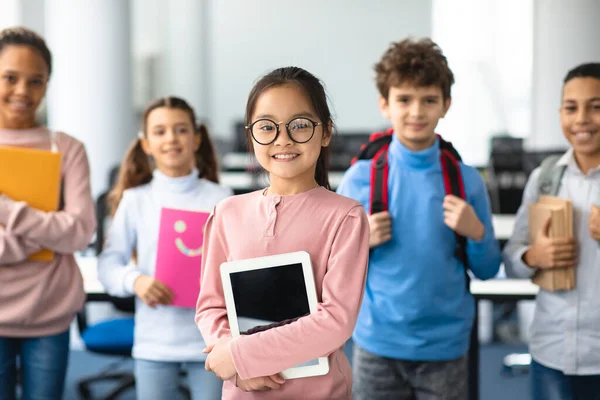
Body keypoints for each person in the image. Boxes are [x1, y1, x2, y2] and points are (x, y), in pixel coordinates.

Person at [336, 38, 501, 399]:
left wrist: (476, 232)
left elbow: (488, 269)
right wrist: (360, 241)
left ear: (446, 104)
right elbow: (332, 272)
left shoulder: (467, 180)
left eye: (429, 100)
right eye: (404, 100)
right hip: (377, 343)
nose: (416, 112)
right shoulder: (359, 178)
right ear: (385, 104)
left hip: (445, 346)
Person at [195, 66, 370, 399]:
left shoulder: (345, 216)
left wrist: (243, 356)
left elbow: (335, 320)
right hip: (243, 390)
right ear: (251, 135)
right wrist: (233, 362)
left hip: (319, 392)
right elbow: (211, 307)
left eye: (300, 125)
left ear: (326, 132)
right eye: (266, 127)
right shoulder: (227, 213)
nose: (283, 138)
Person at [98, 96, 231, 400]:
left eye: (181, 130)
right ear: (146, 144)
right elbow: (108, 264)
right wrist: (136, 280)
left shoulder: (221, 197)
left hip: (211, 340)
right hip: (154, 341)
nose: (171, 138)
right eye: (160, 131)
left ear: (196, 139)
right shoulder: (136, 200)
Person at [0, 27, 96, 400]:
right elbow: (62, 231)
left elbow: (79, 232)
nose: (23, 91)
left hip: (50, 311)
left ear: (47, 84)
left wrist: (7, 209)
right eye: (10, 77)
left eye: (35, 81)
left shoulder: (68, 149)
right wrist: (41, 236)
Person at [504, 62, 600, 400]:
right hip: (551, 352)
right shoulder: (545, 178)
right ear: (561, 113)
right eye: (571, 108)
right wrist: (534, 255)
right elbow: (512, 260)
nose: (582, 119)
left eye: (596, 107)